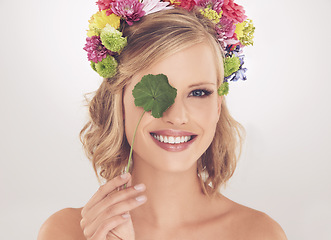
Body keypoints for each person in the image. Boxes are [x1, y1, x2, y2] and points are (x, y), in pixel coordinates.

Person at [38, 1, 287, 239]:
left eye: (198, 93)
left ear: (218, 106)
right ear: (119, 101)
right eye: (155, 90)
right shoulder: (65, 232)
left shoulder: (259, 234)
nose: (177, 116)